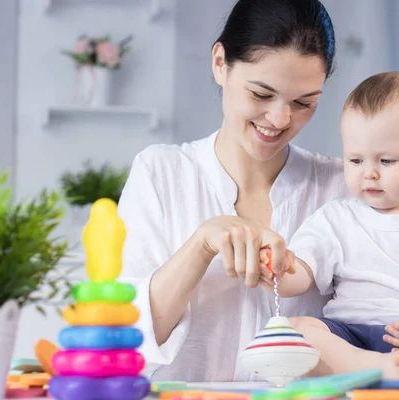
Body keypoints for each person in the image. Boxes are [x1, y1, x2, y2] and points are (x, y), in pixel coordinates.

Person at [117, 0, 348, 382]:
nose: (280, 119)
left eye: (303, 103)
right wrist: (201, 244)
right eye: (261, 94)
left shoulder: (339, 188)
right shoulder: (161, 174)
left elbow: (380, 316)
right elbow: (127, 341)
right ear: (220, 63)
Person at [257, 72, 399, 387]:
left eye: (387, 161)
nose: (369, 173)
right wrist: (278, 270)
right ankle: (375, 366)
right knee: (296, 330)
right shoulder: (335, 218)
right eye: (355, 160)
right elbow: (302, 274)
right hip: (347, 336)